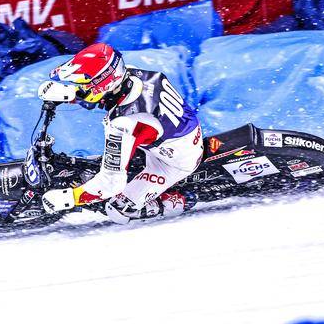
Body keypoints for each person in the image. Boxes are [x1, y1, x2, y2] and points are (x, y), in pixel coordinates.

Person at [40, 42, 203, 224]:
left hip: (173, 163)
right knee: (103, 163)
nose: (81, 88)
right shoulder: (131, 74)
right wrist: (70, 93)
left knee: (117, 209)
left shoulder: (123, 123)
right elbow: (101, 93)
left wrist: (69, 198)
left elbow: (111, 183)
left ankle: (178, 201)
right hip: (176, 132)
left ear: (102, 83)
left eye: (83, 85)